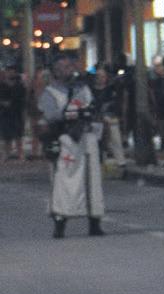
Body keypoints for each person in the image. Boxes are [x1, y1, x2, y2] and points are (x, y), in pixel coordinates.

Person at [38, 53, 107, 238]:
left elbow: (93, 107)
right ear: (56, 71)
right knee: (63, 181)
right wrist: (72, 114)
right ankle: (60, 222)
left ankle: (94, 222)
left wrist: (89, 113)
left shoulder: (83, 88)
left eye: (70, 66)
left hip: (87, 138)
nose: (68, 70)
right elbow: (50, 115)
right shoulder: (50, 93)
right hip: (65, 139)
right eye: (63, 67)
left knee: (92, 180)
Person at [90, 64, 128, 170]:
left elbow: (116, 104)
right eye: (98, 77)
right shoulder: (91, 91)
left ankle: (121, 162)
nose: (100, 79)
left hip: (110, 118)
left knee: (115, 139)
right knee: (97, 141)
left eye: (103, 76)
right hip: (96, 120)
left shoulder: (110, 90)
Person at [0, 66, 26, 161]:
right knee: (6, 136)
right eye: (8, 72)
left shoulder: (20, 85)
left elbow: (23, 98)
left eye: (12, 72)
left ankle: (20, 154)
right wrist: (3, 102)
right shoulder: (2, 85)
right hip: (5, 113)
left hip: (17, 113)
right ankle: (7, 154)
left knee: (18, 135)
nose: (10, 73)